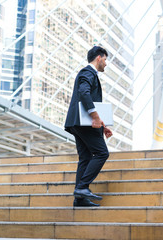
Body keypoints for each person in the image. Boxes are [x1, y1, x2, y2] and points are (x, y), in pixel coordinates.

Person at [64, 46, 113, 207]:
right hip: (83, 123)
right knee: (101, 153)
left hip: (78, 123)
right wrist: (95, 117)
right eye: (105, 60)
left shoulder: (88, 73)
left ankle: (80, 199)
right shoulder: (88, 72)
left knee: (85, 158)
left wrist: (102, 124)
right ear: (99, 58)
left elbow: (86, 97)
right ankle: (82, 188)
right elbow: (84, 93)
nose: (106, 63)